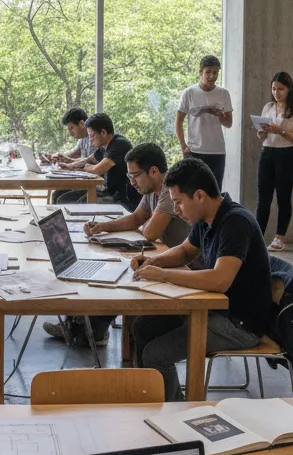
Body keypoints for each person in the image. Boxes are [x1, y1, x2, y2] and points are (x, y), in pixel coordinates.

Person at [128, 158, 272, 401]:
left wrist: (164, 275)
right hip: (213, 310)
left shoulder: (235, 222)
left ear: (200, 196)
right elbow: (185, 251)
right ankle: (154, 399)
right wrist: (155, 261)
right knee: (143, 326)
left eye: (179, 203)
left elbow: (219, 281)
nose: (176, 211)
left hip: (239, 323)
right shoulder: (205, 219)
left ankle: (174, 412)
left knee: (156, 354)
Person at [43, 142, 190, 345]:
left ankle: (92, 329)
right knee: (109, 267)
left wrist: (143, 227)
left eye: (135, 175)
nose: (131, 182)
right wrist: (102, 227)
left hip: (182, 265)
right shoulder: (150, 191)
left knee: (122, 275)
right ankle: (83, 325)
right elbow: (137, 218)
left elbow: (150, 232)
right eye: (129, 176)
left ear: (154, 172)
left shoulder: (168, 191)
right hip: (165, 254)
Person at [255, 71, 293, 253]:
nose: (276, 93)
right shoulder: (268, 107)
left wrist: (281, 131)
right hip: (268, 153)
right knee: (263, 198)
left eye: (280, 89)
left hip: (287, 155)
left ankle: (279, 237)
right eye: (274, 89)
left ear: (289, 89)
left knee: (283, 197)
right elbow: (264, 135)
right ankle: (257, 236)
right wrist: (262, 134)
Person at [176, 54, 233, 189]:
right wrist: (183, 145)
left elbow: (229, 123)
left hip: (217, 151)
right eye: (208, 72)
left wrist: (220, 115)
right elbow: (179, 121)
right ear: (201, 72)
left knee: (214, 191)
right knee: (192, 190)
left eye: (215, 73)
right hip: (194, 149)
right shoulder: (189, 93)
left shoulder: (223, 94)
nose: (212, 76)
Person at [83, 112, 137, 209]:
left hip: (122, 200)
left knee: (78, 202)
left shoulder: (119, 144)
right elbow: (88, 160)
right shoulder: (104, 146)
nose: (90, 139)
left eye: (92, 135)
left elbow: (97, 170)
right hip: (109, 194)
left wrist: (86, 167)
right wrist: (68, 164)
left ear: (103, 132)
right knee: (63, 196)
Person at [48, 107, 94, 205]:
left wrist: (69, 161)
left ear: (82, 124)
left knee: (61, 198)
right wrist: (56, 156)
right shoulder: (82, 139)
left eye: (72, 128)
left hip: (94, 184)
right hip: (84, 181)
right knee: (57, 194)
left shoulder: (95, 137)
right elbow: (73, 152)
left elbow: (89, 161)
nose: (70, 132)